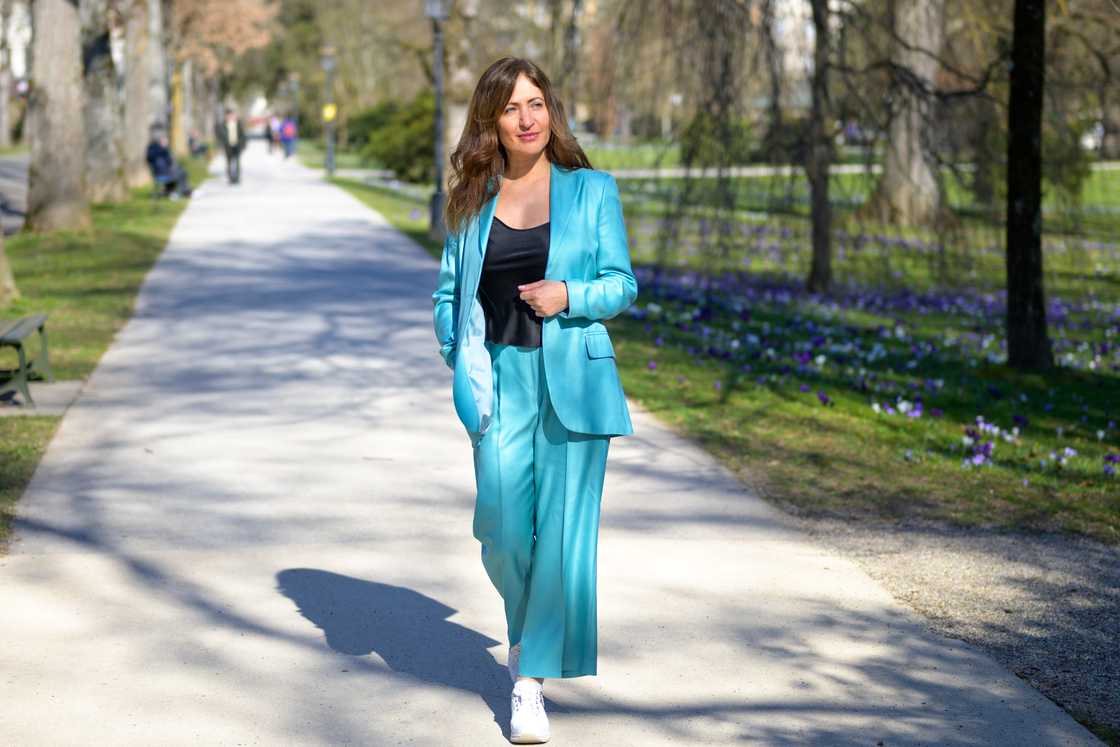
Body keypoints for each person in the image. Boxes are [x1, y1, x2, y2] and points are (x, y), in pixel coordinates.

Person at [431, 57, 637, 744]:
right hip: (500, 384)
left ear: (552, 113)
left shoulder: (592, 191)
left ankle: (529, 680)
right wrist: (456, 353)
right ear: (491, 121)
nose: (528, 117)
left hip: (575, 382)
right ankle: (528, 636)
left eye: (538, 103)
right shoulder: (471, 204)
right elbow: (444, 298)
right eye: (513, 106)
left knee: (561, 544)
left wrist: (571, 295)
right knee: (501, 528)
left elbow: (622, 284)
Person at [145, 127, 192, 198]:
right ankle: (184, 191)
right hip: (160, 173)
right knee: (181, 173)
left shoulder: (163, 149)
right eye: (164, 140)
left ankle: (179, 190)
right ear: (159, 141)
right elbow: (150, 158)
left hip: (167, 171)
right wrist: (163, 148)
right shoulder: (153, 148)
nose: (166, 141)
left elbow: (169, 161)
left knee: (182, 171)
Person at [216, 108, 245, 184]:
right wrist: (220, 146)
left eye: (232, 115)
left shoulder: (238, 124)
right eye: (229, 115)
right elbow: (220, 136)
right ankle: (230, 178)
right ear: (226, 116)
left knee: (237, 161)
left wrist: (242, 145)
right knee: (229, 162)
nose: (231, 117)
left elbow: (242, 135)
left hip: (237, 145)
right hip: (227, 146)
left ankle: (237, 177)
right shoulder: (222, 125)